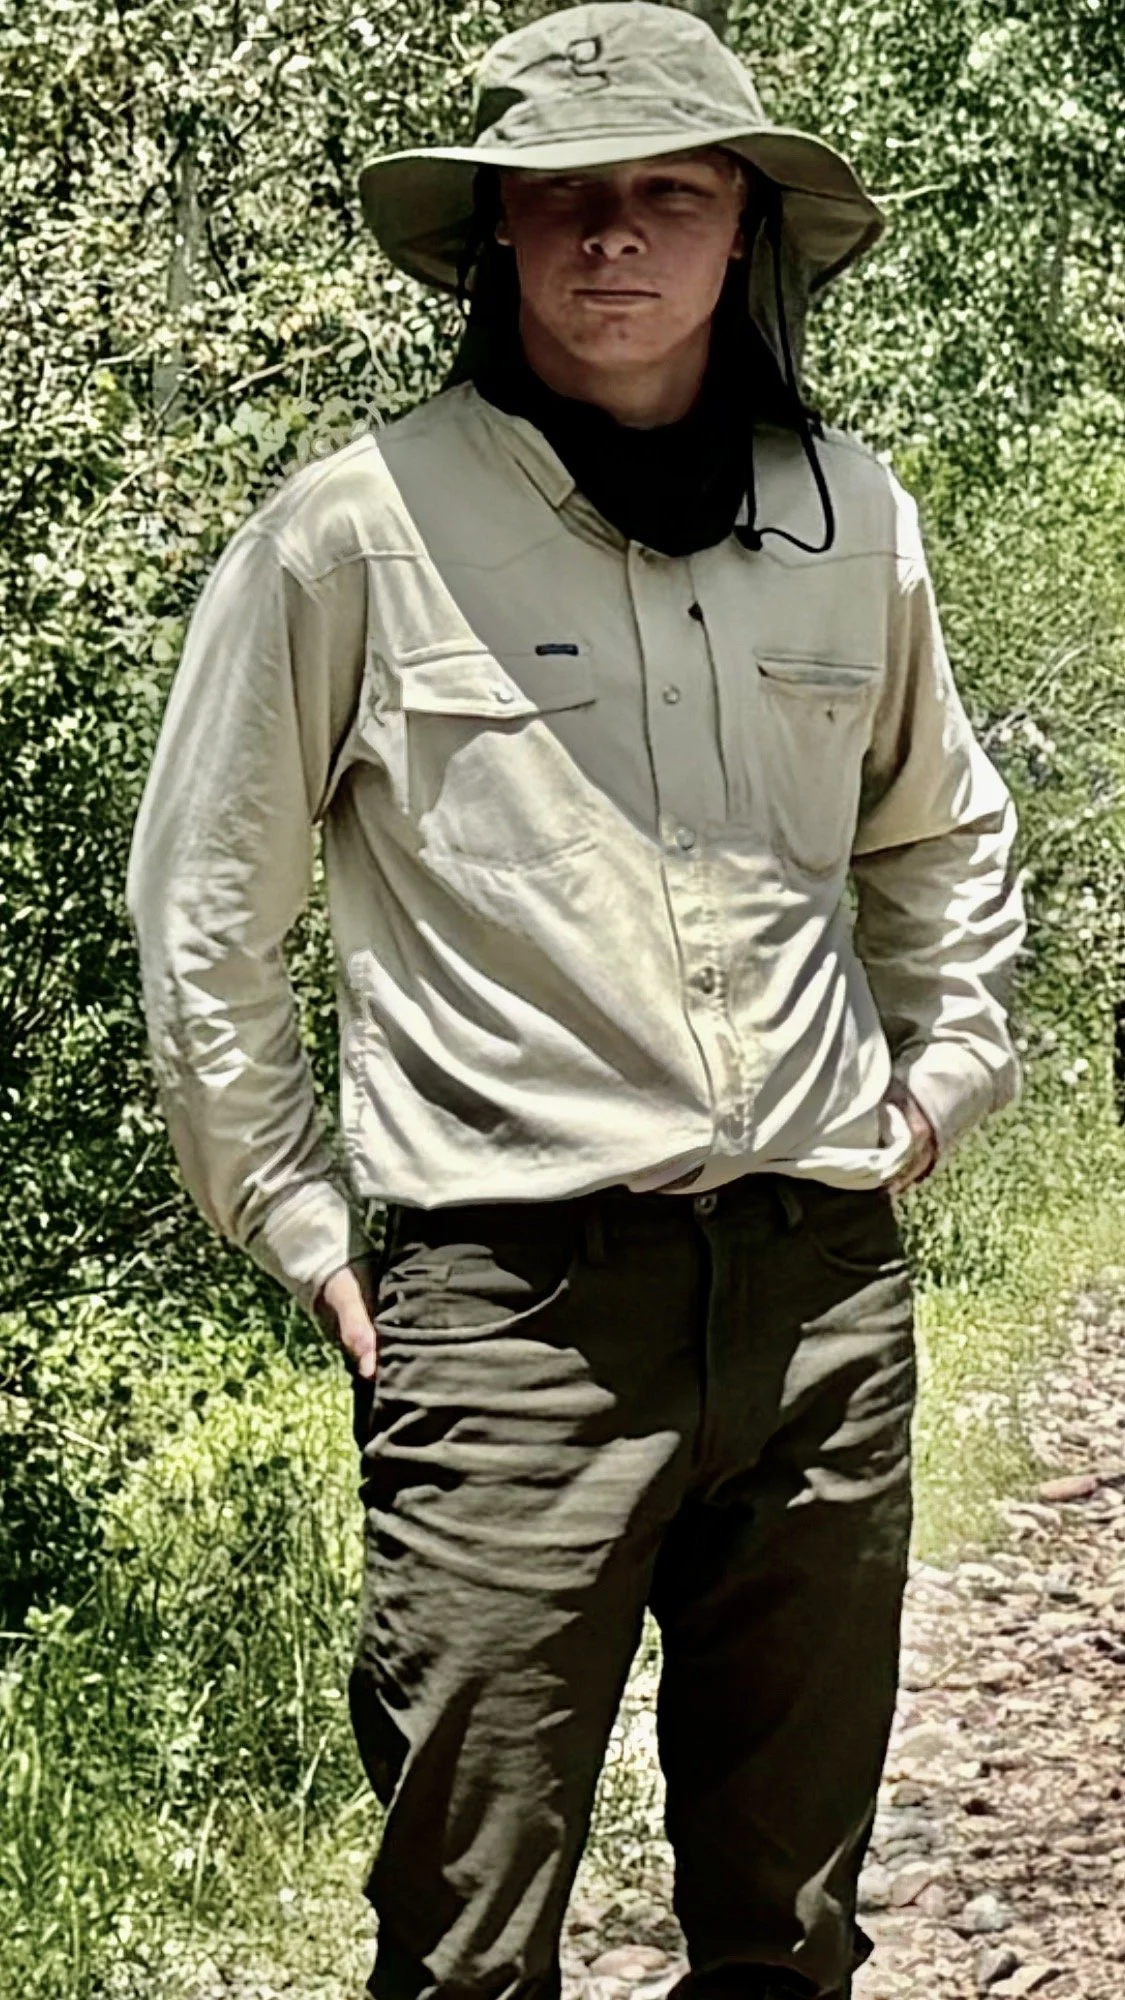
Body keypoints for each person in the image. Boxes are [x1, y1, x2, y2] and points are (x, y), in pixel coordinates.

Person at [126, 6, 1026, 1997]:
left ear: (743, 236)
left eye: (665, 196)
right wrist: (287, 1214)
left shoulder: (852, 520)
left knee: (787, 1926)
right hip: (510, 1320)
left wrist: (937, 1078)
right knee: (469, 1934)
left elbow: (938, 836)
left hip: (820, 1304)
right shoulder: (349, 532)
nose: (612, 240)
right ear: (499, 242)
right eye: (565, 203)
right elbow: (204, 898)